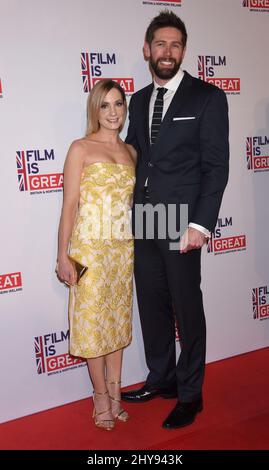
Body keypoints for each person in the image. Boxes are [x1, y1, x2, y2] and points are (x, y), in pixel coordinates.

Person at [121, 10, 229, 429]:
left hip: (182, 220)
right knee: (152, 304)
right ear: (147, 50)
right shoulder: (140, 99)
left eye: (176, 45)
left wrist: (201, 225)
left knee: (187, 308)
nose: (168, 52)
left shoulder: (207, 97)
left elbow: (216, 167)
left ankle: (190, 394)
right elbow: (134, 156)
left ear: (184, 51)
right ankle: (162, 378)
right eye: (161, 44)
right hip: (146, 216)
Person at [56, 79, 136, 431]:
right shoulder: (80, 148)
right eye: (105, 105)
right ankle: (100, 397)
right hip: (88, 249)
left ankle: (117, 394)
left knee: (116, 324)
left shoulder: (131, 153)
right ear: (95, 110)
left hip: (121, 251)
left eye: (118, 104)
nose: (113, 112)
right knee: (92, 328)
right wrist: (63, 255)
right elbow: (70, 205)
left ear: (125, 108)